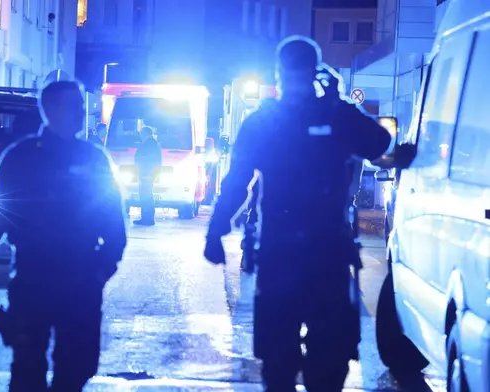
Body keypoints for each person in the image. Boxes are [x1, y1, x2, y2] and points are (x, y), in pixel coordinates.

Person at [204, 36, 401, 392]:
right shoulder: (336, 116)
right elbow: (381, 145)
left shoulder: (264, 121)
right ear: (316, 71)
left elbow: (237, 181)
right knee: (327, 360)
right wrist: (338, 103)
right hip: (327, 251)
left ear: (278, 74)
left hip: (282, 252)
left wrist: (216, 231)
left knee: (280, 363)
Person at [0, 80, 127, 392]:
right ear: (51, 110)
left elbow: (112, 219)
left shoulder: (93, 158)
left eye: (82, 107)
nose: (82, 113)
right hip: (33, 275)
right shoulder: (22, 157)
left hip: (81, 276)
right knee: (28, 366)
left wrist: (104, 267)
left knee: (79, 365)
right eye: (74, 107)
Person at [134, 126, 162, 226]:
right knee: (145, 195)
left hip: (147, 174)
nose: (140, 135)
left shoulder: (150, 144)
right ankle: (146, 217)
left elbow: (148, 160)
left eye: (141, 133)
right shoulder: (151, 143)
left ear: (145, 133)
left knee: (146, 196)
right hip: (146, 173)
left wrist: (146, 172)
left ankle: (147, 218)